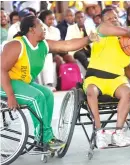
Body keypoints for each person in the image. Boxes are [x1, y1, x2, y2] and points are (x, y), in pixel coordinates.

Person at [0, 15, 99, 148]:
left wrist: (88, 39)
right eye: (41, 26)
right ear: (32, 29)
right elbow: (2, 69)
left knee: (47, 94)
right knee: (37, 97)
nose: (45, 28)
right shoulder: (16, 45)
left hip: (21, 82)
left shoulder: (43, 45)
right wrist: (10, 95)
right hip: (4, 82)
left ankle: (43, 135)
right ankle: (45, 138)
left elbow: (67, 45)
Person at [83, 7, 130, 149]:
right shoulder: (100, 30)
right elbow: (128, 30)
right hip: (95, 77)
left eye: (115, 17)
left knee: (128, 91)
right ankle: (99, 131)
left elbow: (128, 66)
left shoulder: (124, 41)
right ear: (102, 21)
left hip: (116, 80)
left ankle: (118, 132)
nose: (113, 20)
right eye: (109, 18)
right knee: (91, 91)